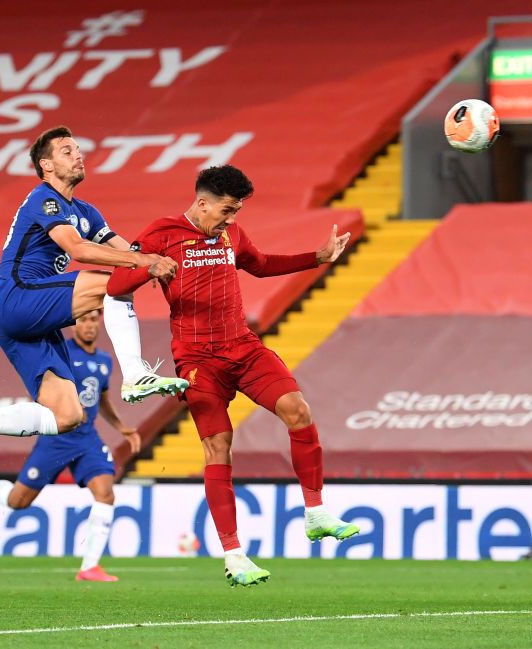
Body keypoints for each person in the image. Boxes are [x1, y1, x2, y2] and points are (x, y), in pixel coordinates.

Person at [107, 165, 359, 587]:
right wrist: (148, 267)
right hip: (197, 359)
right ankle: (234, 553)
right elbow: (117, 285)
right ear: (202, 203)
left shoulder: (230, 235)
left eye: (236, 212)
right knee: (218, 445)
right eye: (226, 210)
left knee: (298, 410)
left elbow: (258, 264)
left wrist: (315, 257)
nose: (231, 220)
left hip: (242, 347)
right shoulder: (162, 234)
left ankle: (315, 512)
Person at [0, 125, 187, 465]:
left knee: (68, 416)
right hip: (17, 300)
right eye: (67, 151)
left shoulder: (86, 211)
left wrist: (168, 263)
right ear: (46, 165)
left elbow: (128, 252)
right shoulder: (43, 198)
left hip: (28, 322)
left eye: (78, 149)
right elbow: (77, 249)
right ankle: (134, 373)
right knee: (112, 284)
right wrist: (143, 263)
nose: (78, 155)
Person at [0, 310, 136, 582]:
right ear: (74, 325)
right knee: (18, 501)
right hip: (56, 438)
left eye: (93, 320)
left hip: (87, 439)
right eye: (83, 320)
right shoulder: (61, 352)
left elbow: (104, 398)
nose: (88, 325)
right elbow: (41, 389)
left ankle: (89, 567)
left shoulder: (104, 361)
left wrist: (122, 427)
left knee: (106, 494)